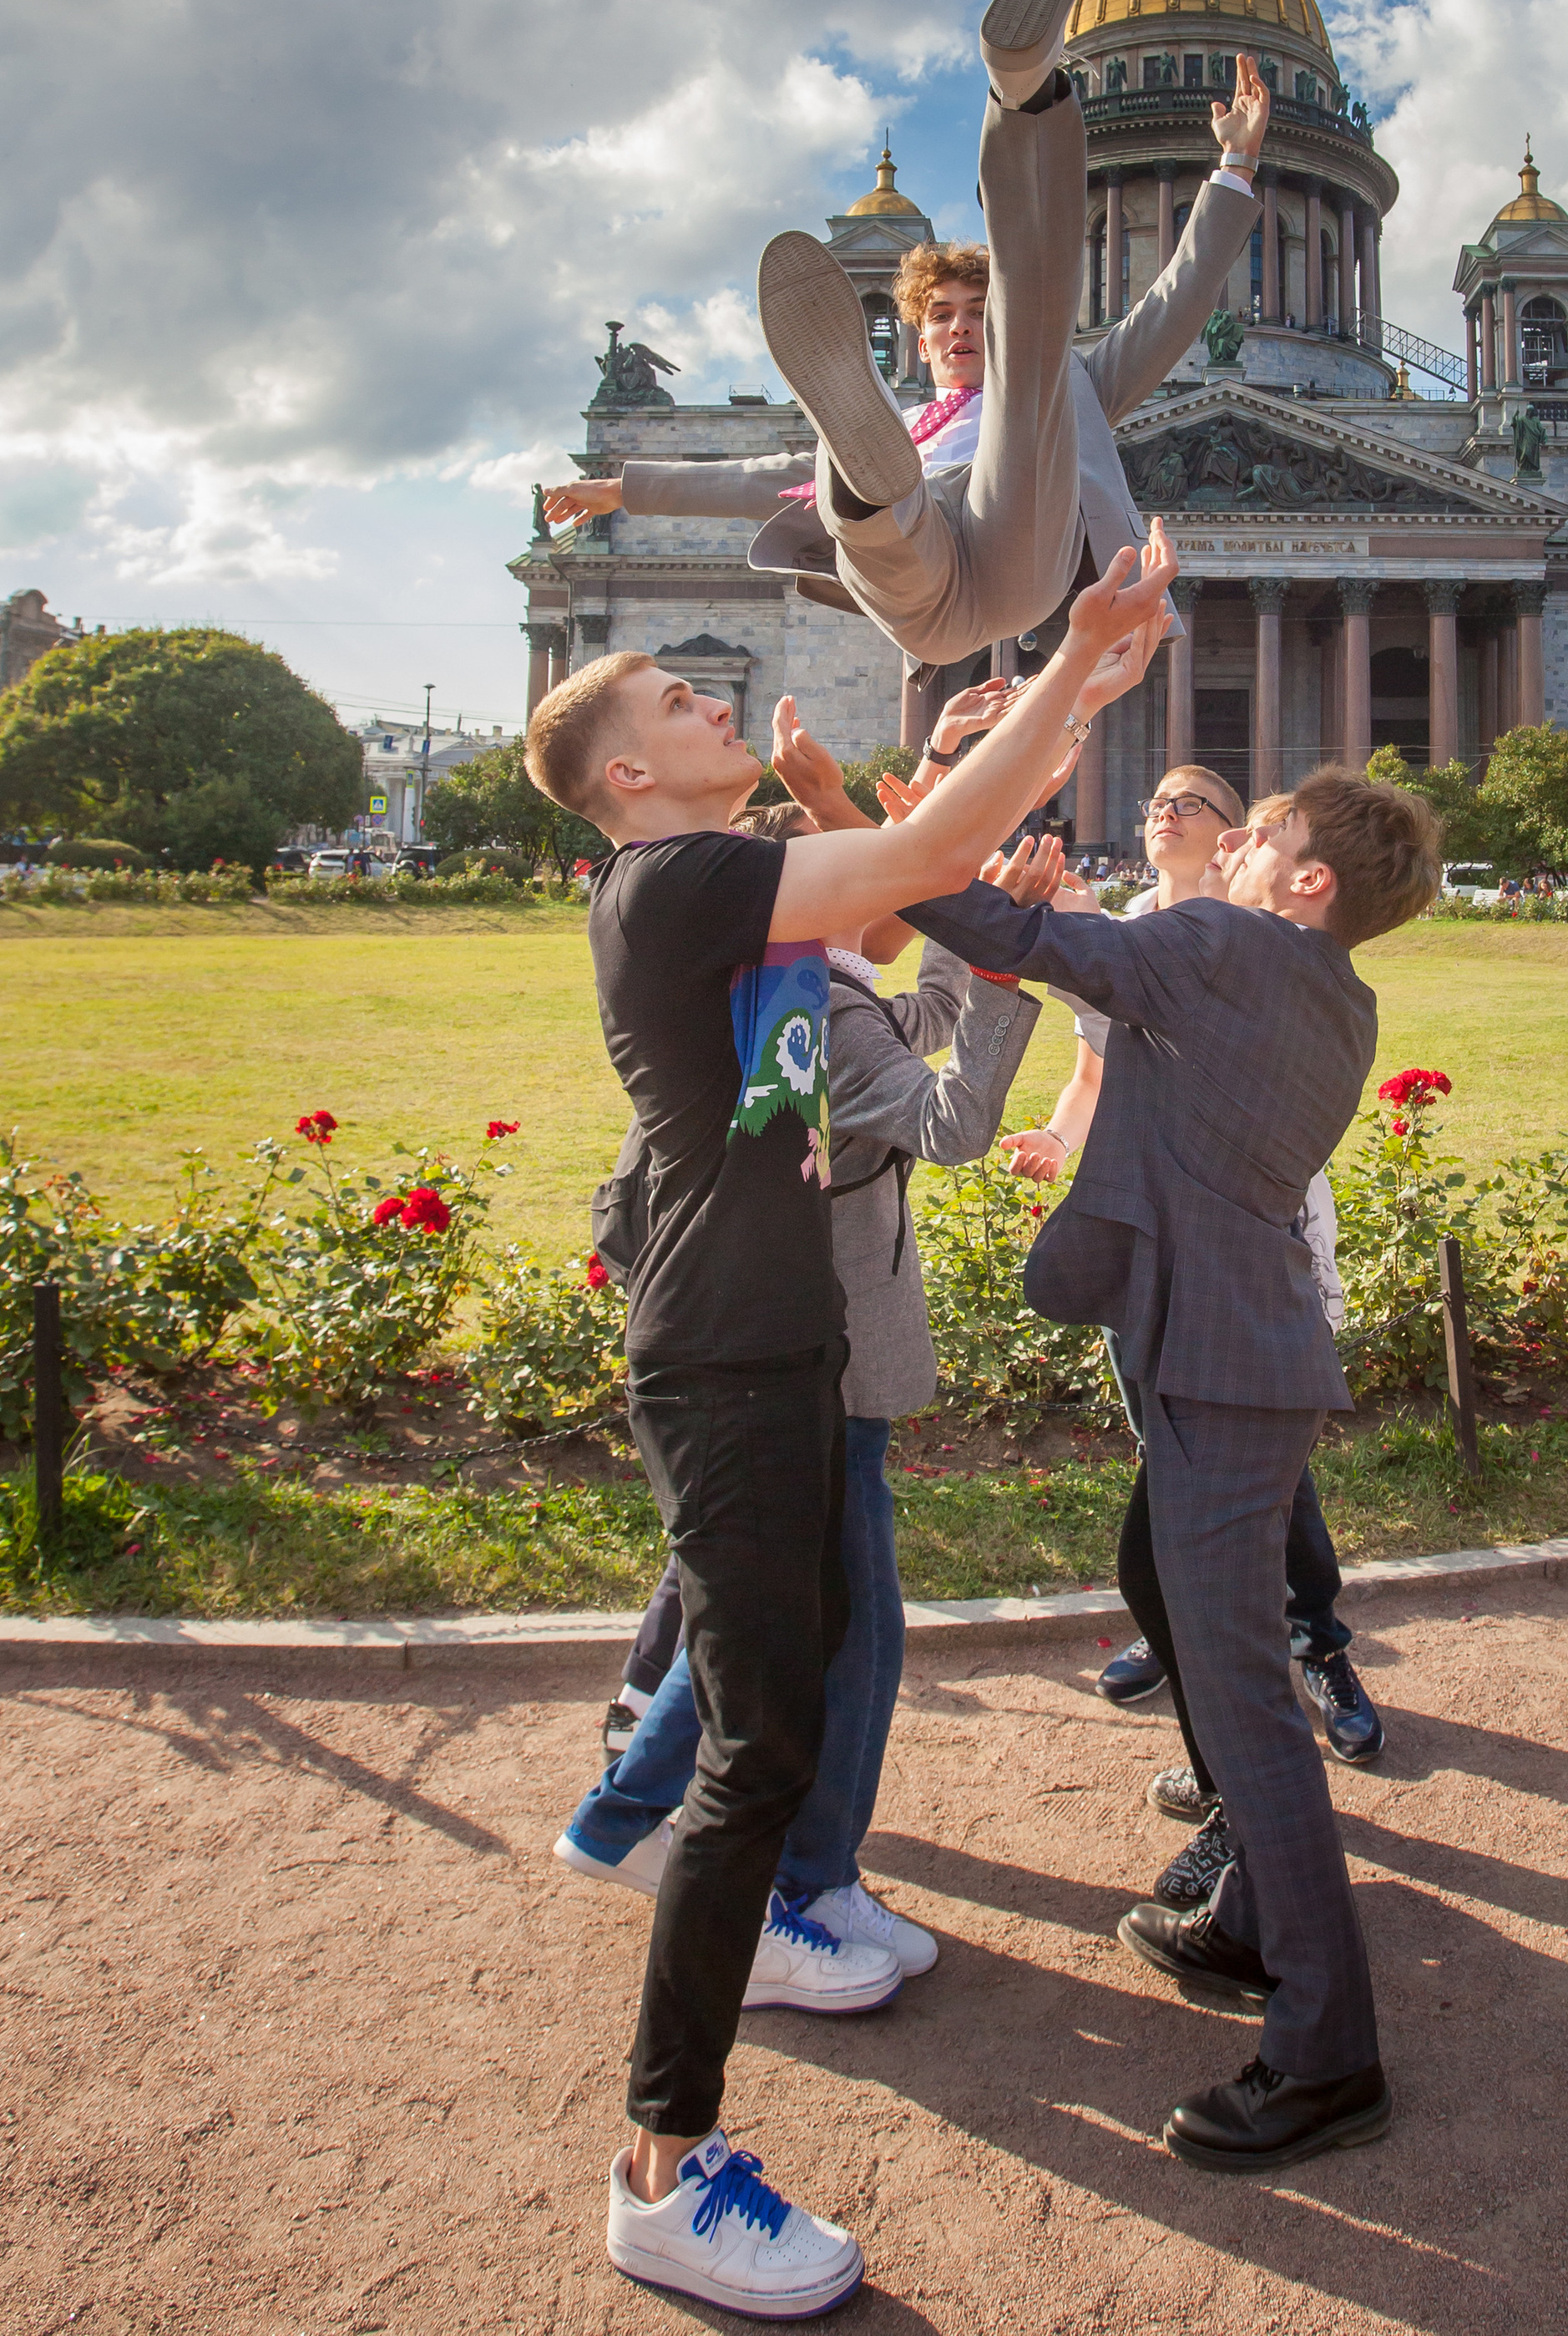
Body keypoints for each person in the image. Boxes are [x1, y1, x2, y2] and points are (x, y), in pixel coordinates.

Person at [522, 526, 1171, 2317]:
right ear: (626, 773)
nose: (703, 688)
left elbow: (898, 896)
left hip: (780, 1340)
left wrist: (1062, 703)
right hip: (722, 1357)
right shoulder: (669, 888)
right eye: (671, 694)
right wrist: (1079, 664)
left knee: (783, 1718)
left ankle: (749, 1987)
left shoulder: (730, 872)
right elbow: (930, 855)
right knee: (751, 1750)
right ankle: (662, 2165)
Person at [901, 765, 1440, 2173]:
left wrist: (882, 827)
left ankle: (1329, 2058)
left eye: (1267, 831)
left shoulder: (1220, 941)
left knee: (1247, 1705)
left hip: (1217, 1358)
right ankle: (1256, 1926)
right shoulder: (1336, 989)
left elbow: (1021, 941)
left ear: (1309, 877)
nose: (1240, 839)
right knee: (1235, 1673)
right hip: (1244, 1345)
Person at [557, 753, 1043, 1984]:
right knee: (826, 1631)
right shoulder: (805, 1005)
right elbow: (950, 1119)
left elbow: (914, 1026)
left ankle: (801, 1866)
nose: (876, 894)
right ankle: (675, 1835)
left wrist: (958, 913)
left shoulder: (807, 978)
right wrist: (992, 953)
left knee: (816, 1626)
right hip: (808, 1352)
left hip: (820, 1341)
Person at [542, 0, 1271, 669]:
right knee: (856, 487)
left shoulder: (1080, 385)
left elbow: (1177, 299)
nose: (959, 326)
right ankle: (866, 468)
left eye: (971, 312)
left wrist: (1235, 168)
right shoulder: (915, 424)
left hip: (1020, 542)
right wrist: (624, 487)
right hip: (925, 578)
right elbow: (762, 477)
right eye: (943, 316)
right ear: (918, 342)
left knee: (1034, 350)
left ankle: (1023, 90)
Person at [999, 775, 1384, 1890]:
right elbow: (1100, 1065)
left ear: (1238, 839)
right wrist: (1066, 1140)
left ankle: (1298, 1673)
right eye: (1159, 797)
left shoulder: (1253, 939)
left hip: (1249, 1259)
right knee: (1200, 1513)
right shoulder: (1136, 927)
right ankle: (1228, 1733)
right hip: (1158, 1253)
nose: (1170, 809)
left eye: (1207, 801)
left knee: (1243, 1509)